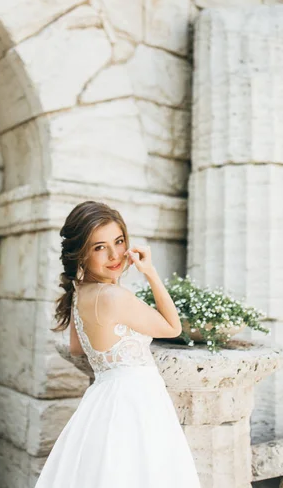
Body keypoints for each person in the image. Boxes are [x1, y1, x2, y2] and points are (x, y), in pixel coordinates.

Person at [34, 200, 201, 488]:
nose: (114, 255)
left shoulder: (79, 294)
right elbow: (173, 327)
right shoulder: (113, 297)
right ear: (82, 255)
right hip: (135, 402)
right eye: (99, 247)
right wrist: (150, 272)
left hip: (103, 398)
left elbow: (77, 348)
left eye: (119, 241)